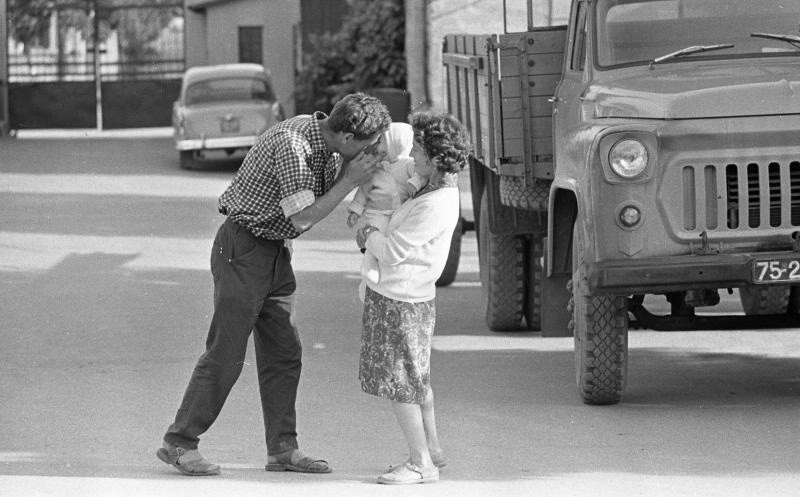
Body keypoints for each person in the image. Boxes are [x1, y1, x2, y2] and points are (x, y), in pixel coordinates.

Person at [156, 93, 391, 476]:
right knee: (226, 353)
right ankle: (179, 442)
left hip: (274, 251)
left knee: (284, 352)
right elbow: (302, 218)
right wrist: (350, 181)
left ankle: (283, 448)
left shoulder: (329, 145)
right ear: (347, 137)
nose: (374, 152)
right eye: (369, 145)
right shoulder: (294, 144)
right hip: (244, 248)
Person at [355, 111, 471, 485]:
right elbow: (398, 174)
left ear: (437, 158)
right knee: (416, 378)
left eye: (419, 150)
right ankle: (432, 449)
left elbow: (391, 251)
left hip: (400, 298)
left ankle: (421, 463)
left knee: (399, 382)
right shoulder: (432, 186)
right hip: (411, 296)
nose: (413, 155)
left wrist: (368, 231)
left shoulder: (434, 203)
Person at [347, 122, 422, 295]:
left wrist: (414, 184)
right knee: (375, 237)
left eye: (381, 142)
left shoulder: (408, 165)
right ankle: (369, 268)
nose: (377, 147)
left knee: (394, 244)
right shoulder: (376, 169)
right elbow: (364, 191)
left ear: (396, 143)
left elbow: (418, 177)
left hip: (398, 214)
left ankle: (393, 274)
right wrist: (355, 210)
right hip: (378, 213)